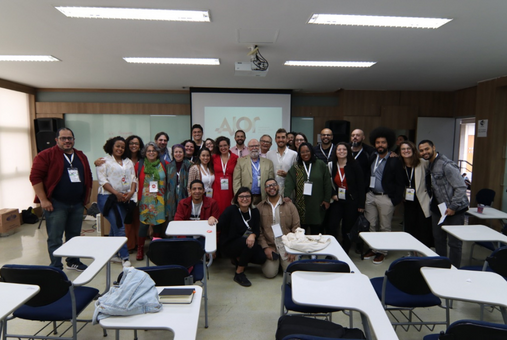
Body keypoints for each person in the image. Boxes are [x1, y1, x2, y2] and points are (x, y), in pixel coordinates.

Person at [29, 128, 93, 271]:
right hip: (56, 204)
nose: (67, 141)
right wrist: (44, 200)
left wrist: (87, 196)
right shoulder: (45, 155)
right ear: (56, 140)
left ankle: (73, 261)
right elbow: (35, 178)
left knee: (74, 236)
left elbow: (88, 176)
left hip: (77, 203)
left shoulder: (80, 156)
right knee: (55, 237)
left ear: (74, 140)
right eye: (63, 138)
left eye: (69, 138)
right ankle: (56, 266)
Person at [419, 139, 469, 268]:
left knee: (454, 242)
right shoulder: (428, 164)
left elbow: (461, 187)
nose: (424, 152)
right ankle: (442, 266)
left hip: (455, 209)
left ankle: (454, 268)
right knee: (439, 239)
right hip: (438, 209)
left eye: (426, 149)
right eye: (421, 150)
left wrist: (453, 206)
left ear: (433, 148)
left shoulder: (446, 165)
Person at [363, 127, 405, 265]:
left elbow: (400, 182)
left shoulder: (394, 160)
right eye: (378, 142)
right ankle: (373, 248)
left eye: (383, 142)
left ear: (388, 144)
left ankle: (383, 252)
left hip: (386, 197)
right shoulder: (372, 156)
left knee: (384, 226)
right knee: (371, 224)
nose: (380, 145)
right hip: (371, 196)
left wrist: (395, 200)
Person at [96, 136, 136, 268]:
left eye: (122, 147)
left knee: (116, 227)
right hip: (108, 198)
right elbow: (103, 181)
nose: (120, 149)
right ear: (111, 147)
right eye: (117, 146)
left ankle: (110, 253)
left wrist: (131, 192)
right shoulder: (103, 162)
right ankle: (124, 258)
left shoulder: (128, 162)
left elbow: (133, 178)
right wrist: (116, 193)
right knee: (119, 227)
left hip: (125, 198)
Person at [218, 187, 266, 287]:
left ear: (251, 198)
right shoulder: (231, 210)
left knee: (261, 257)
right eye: (241, 196)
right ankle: (239, 273)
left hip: (246, 240)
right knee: (250, 245)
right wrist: (212, 219)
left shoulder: (254, 211)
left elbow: (256, 230)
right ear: (237, 198)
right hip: (229, 242)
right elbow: (219, 225)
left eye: (247, 196)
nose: (245, 199)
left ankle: (239, 259)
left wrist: (253, 235)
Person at [284, 142, 331, 235]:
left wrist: (327, 199)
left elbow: (327, 183)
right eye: (302, 152)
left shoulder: (320, 164)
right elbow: (290, 181)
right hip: (302, 204)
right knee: (302, 230)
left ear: (311, 152)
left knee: (316, 231)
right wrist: (287, 195)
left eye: (307, 151)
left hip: (317, 202)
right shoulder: (296, 166)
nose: (305, 154)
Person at [257, 179, 299, 278]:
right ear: (265, 189)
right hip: (271, 246)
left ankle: (282, 262)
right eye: (268, 186)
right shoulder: (260, 207)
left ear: (278, 187)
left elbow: (296, 228)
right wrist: (265, 248)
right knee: (270, 274)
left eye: (273, 185)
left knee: (291, 273)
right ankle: (278, 262)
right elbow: (259, 231)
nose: (271, 187)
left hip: (286, 246)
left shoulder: (290, 206)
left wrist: (292, 249)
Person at [328, 142, 365, 253]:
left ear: (348, 151)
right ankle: (333, 248)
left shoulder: (354, 165)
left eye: (344, 149)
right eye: (339, 149)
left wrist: (361, 204)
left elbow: (361, 185)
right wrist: (333, 193)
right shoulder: (332, 165)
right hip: (337, 200)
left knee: (347, 227)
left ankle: (345, 249)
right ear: (335, 152)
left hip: (352, 200)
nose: (342, 151)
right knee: (332, 224)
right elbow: (328, 182)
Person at [134, 142, 168, 261]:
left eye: (154, 151)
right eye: (149, 151)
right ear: (145, 153)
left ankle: (156, 248)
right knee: (144, 225)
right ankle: (140, 249)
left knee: (158, 224)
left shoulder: (164, 164)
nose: (151, 153)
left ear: (158, 152)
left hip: (160, 199)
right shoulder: (139, 165)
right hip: (145, 200)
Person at [399, 141, 433, 248]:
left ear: (413, 150)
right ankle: (412, 251)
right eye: (403, 149)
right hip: (408, 201)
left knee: (423, 228)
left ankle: (424, 251)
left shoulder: (423, 163)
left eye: (408, 148)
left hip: (422, 200)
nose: (406, 151)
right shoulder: (400, 165)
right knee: (410, 227)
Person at [233, 139, 275, 205]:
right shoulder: (241, 161)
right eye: (252, 146)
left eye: (256, 146)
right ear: (248, 148)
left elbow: (271, 181)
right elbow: (236, 181)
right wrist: (239, 196)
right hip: (246, 197)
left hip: (263, 197)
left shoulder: (268, 163)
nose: (254, 148)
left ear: (260, 147)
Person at [123, 135, 144, 253]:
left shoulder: (143, 159)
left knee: (138, 219)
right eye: (131, 143)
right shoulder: (122, 159)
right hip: (126, 193)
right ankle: (129, 245)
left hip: (140, 193)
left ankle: (138, 244)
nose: (134, 145)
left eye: (136, 143)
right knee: (128, 220)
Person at [212, 136, 239, 215]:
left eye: (225, 145)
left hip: (230, 189)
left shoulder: (235, 158)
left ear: (229, 146)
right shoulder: (213, 158)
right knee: (217, 209)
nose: (223, 148)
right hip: (217, 189)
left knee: (229, 210)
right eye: (220, 146)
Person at [267, 128, 298, 193]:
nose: (280, 140)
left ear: (287, 139)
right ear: (275, 140)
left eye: (283, 137)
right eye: (278, 137)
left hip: (288, 190)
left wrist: (287, 174)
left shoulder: (294, 154)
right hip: (273, 191)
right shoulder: (269, 154)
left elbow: (297, 173)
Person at [166, 144, 192, 221]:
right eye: (176, 152)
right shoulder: (168, 166)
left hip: (185, 195)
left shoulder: (190, 165)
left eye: (180, 152)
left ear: (184, 153)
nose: (178, 154)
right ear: (173, 154)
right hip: (171, 198)